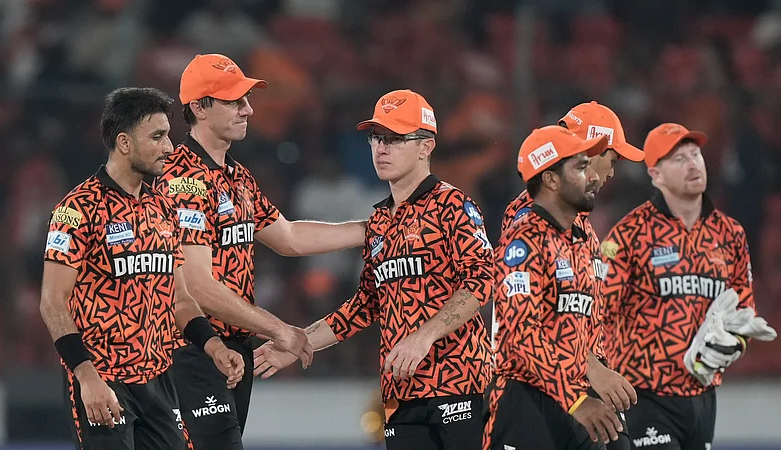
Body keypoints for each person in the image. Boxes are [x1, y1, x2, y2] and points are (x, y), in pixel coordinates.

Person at [253, 89, 495, 450]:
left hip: (459, 384)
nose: (381, 148)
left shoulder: (452, 204)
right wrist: (302, 342)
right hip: (399, 392)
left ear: (426, 146)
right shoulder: (379, 220)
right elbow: (366, 305)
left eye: (396, 139)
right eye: (376, 138)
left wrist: (424, 336)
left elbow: (482, 278)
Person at [156, 53, 367, 450]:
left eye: (246, 99)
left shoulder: (237, 178)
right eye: (235, 100)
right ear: (199, 107)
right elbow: (197, 286)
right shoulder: (182, 179)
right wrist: (279, 329)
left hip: (234, 352)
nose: (248, 109)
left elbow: (288, 237)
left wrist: (368, 230)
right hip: (190, 348)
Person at [39, 87, 245, 450]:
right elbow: (53, 302)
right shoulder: (77, 209)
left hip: (159, 382)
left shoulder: (163, 208)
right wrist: (86, 377)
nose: (169, 148)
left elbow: (180, 299)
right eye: (158, 137)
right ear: (124, 142)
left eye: (168, 135)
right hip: (104, 379)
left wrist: (214, 347)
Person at [600, 123, 776, 450]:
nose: (693, 163)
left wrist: (733, 343)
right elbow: (599, 313)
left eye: (696, 154)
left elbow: (743, 308)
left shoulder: (731, 234)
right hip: (645, 395)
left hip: (703, 396)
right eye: (679, 159)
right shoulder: (629, 234)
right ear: (655, 174)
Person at [495, 102, 642, 448]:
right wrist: (590, 371)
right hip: (538, 391)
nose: (610, 173)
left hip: (572, 385)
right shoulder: (529, 215)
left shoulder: (580, 223)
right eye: (613, 158)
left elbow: (579, 312)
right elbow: (529, 322)